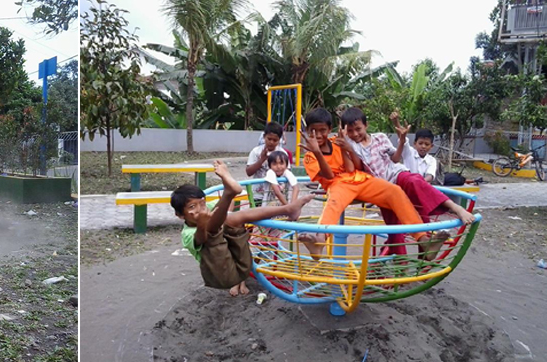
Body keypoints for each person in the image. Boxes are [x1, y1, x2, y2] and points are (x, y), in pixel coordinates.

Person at [298, 108, 443, 260]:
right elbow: (328, 175)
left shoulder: (337, 141)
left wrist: (344, 149)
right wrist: (317, 153)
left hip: (360, 178)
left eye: (322, 130)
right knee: (334, 202)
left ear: (329, 129)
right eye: (313, 131)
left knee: (395, 191)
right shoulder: (309, 156)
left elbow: (351, 168)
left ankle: (423, 239)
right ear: (307, 131)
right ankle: (320, 240)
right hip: (338, 185)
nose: (318, 135)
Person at [341, 108, 474, 258]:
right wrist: (347, 146)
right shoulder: (350, 145)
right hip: (382, 188)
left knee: (415, 181)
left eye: (358, 129)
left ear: (366, 125)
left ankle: (455, 208)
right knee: (394, 227)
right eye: (350, 131)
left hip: (396, 174)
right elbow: (356, 168)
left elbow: (396, 159)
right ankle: (403, 263)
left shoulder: (380, 138)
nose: (355, 134)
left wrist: (402, 140)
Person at [172, 160, 313, 296]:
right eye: (192, 207)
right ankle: (230, 191)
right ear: (179, 215)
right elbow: (202, 237)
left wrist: (227, 190)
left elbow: (226, 207)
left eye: (202, 203)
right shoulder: (187, 234)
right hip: (222, 272)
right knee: (213, 229)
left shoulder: (205, 209)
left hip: (241, 259)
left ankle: (287, 209)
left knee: (232, 217)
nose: (200, 209)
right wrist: (205, 221)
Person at [246, 123, 294, 203]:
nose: (271, 142)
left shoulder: (282, 153)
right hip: (258, 194)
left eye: (275, 140)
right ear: (264, 136)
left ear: (279, 139)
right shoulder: (256, 152)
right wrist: (262, 160)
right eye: (269, 139)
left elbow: (287, 171)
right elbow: (248, 172)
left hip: (277, 196)